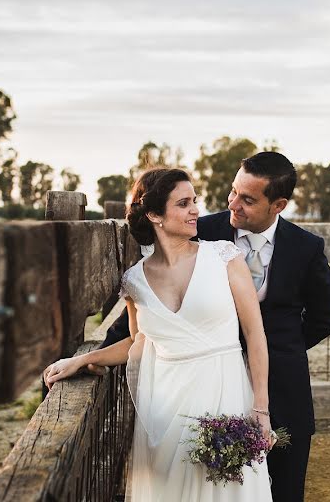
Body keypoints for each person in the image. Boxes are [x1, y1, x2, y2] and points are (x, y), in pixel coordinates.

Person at [99, 151, 330, 502]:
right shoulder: (201, 230)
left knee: (284, 490)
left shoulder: (306, 248)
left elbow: (323, 317)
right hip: (202, 392)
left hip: (281, 388)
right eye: (233, 192)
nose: (233, 204)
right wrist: (92, 356)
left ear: (278, 205)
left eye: (248, 199)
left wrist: (279, 350)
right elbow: (149, 311)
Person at [43, 167, 274, 501]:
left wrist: (261, 409)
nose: (196, 209)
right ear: (154, 214)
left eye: (195, 200)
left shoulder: (225, 257)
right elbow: (138, 342)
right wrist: (84, 360)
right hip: (167, 408)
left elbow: (255, 334)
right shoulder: (134, 281)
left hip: (227, 395)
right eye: (183, 203)